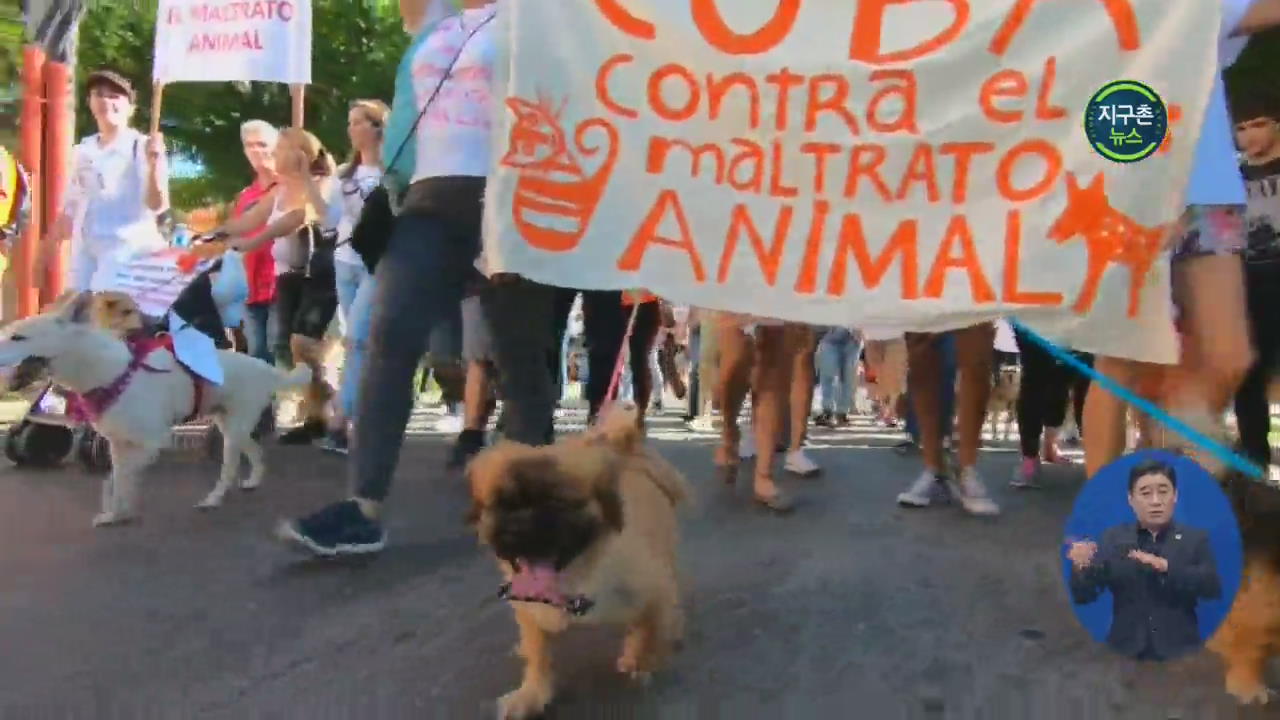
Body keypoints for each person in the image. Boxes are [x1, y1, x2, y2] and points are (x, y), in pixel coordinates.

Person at [278, 0, 498, 556]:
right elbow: (407, 109)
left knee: (517, 355)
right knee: (386, 339)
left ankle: (537, 504)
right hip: (424, 202)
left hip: (512, 202)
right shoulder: (436, 22)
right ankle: (362, 507)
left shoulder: (541, 16)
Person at [1067, 460, 1222, 661]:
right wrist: (1081, 568)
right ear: (1131, 499)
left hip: (1180, 652)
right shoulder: (1113, 538)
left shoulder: (1195, 539)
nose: (1156, 501)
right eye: (1146, 493)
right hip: (1123, 651)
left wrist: (1166, 567)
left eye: (1163, 491)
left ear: (1175, 496)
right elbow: (1084, 596)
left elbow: (1212, 587)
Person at [41, 69, 169, 293]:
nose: (106, 101)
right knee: (75, 315)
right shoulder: (83, 149)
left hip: (127, 255)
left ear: (131, 108)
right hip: (86, 255)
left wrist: (155, 166)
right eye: (99, 94)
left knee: (105, 320)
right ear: (90, 102)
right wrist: (45, 252)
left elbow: (157, 205)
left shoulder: (142, 146)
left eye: (115, 96)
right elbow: (70, 208)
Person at [314, 99, 389, 454]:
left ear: (378, 128)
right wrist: (307, 182)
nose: (352, 128)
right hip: (344, 262)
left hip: (377, 265)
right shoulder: (344, 174)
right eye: (350, 122)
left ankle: (340, 422)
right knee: (358, 341)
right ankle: (362, 417)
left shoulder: (394, 172)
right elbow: (328, 222)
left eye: (360, 121)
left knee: (357, 339)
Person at [1231, 93, 1280, 469]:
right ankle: (1254, 458)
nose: (1249, 135)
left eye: (1258, 123)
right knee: (1247, 371)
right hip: (1246, 280)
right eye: (1241, 127)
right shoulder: (1229, 174)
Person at [231, 119, 280, 366]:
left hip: (281, 286)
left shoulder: (288, 187)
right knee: (257, 361)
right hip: (251, 291)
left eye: (262, 144)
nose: (256, 151)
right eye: (250, 145)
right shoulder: (245, 196)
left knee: (279, 356)